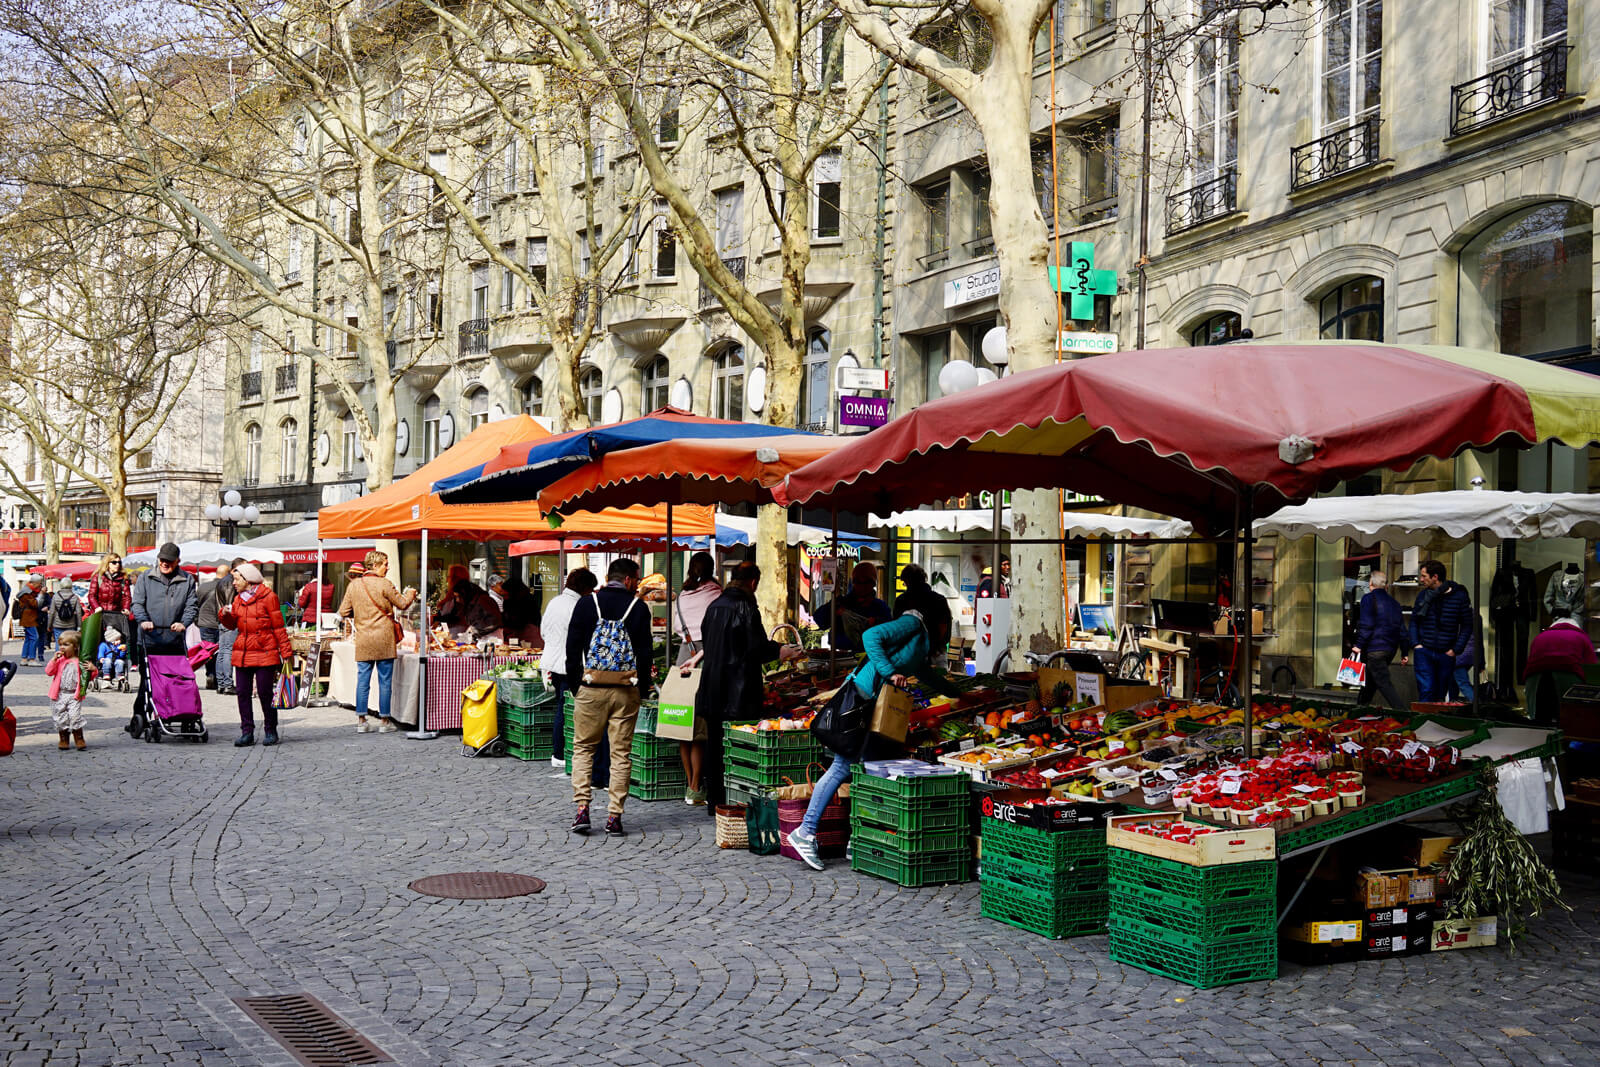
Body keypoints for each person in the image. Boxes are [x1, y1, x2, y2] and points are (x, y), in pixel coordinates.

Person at [787, 607, 950, 872]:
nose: (947, 627)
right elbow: (871, 637)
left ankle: (859, 839)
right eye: (945, 621)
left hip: (876, 707)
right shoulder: (911, 623)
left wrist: (961, 695)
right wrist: (890, 672)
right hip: (861, 701)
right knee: (842, 766)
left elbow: (923, 672)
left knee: (871, 768)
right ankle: (805, 832)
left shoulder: (922, 639)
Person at [694, 562, 803, 810]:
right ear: (753, 583)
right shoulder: (745, 606)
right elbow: (755, 647)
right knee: (741, 747)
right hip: (738, 691)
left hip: (712, 688)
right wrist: (780, 650)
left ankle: (715, 801)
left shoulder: (714, 606)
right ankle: (737, 801)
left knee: (715, 747)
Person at [564, 558, 651, 837]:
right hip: (625, 691)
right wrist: (642, 688)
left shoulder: (587, 603)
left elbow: (572, 646)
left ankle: (582, 810)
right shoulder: (639, 608)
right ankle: (614, 816)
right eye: (637, 579)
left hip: (591, 688)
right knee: (620, 754)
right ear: (628, 580)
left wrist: (576, 683)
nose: (638, 584)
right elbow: (646, 653)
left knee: (583, 749)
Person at [337, 550, 419, 734]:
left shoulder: (354, 585)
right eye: (385, 564)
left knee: (363, 680)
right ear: (375, 565)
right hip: (384, 638)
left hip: (364, 638)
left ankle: (361, 720)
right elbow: (403, 604)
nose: (387, 567)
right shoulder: (385, 584)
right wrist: (411, 594)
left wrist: (360, 616)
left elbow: (343, 611)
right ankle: (384, 720)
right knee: (384, 681)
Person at [219, 562, 294, 747]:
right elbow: (232, 625)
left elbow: (278, 627)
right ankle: (247, 732)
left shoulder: (269, 597)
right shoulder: (238, 599)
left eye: (236, 579)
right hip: (243, 651)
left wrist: (286, 652)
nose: (234, 583)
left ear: (248, 579)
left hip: (264, 651)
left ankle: (270, 729)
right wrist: (224, 614)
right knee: (243, 693)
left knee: (265, 693)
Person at [129, 542, 199, 736]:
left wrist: (184, 622)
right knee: (148, 681)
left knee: (177, 680)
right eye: (162, 560)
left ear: (178, 561)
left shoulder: (187, 580)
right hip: (149, 638)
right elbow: (137, 604)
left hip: (174, 639)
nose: (165, 564)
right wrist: (143, 621)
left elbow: (192, 606)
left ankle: (177, 713)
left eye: (169, 561)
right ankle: (140, 716)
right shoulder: (145, 578)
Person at [540, 568, 601, 770]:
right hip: (569, 664)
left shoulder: (554, 602)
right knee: (566, 711)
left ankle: (560, 752)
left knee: (561, 706)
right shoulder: (579, 606)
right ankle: (560, 753)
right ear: (585, 588)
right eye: (591, 588)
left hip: (552, 662)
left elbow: (543, 631)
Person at [1409, 560, 1473, 703]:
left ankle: (1434, 723)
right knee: (1426, 690)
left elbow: (1467, 625)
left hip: (1445, 653)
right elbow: (1414, 621)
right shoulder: (1423, 596)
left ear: (1435, 577)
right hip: (1424, 650)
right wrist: (1416, 644)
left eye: (1424, 576)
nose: (1421, 579)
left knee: (1440, 693)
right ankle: (1424, 722)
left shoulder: (1459, 596)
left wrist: (1455, 650)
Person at [1523, 615, 1598, 723]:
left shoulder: (1540, 636)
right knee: (1568, 721)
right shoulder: (1582, 637)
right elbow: (1591, 667)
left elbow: (1530, 662)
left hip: (1535, 677)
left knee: (1539, 720)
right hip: (1568, 674)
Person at [1350, 570, 1406, 710]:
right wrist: (1404, 652)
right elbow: (1402, 630)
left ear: (1370, 584)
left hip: (1375, 649)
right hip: (1390, 649)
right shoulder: (1395, 603)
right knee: (1370, 682)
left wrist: (1359, 645)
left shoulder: (1368, 599)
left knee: (1383, 683)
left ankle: (1404, 713)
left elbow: (1366, 624)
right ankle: (1359, 709)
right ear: (1385, 586)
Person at [813, 561, 891, 652]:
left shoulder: (880, 607)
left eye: (866, 582)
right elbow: (819, 620)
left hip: (871, 656)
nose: (862, 587)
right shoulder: (841, 602)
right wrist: (832, 609)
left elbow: (890, 631)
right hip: (841, 656)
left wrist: (876, 622)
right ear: (853, 582)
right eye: (858, 582)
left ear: (873, 584)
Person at [893, 563, 953, 669]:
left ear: (906, 581)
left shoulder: (901, 601)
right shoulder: (939, 599)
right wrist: (936, 646)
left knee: (910, 683)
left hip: (909, 653)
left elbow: (897, 630)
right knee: (937, 683)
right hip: (936, 653)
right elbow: (943, 626)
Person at [88, 552, 135, 681]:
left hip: (116, 616)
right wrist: (96, 607)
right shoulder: (98, 577)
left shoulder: (123, 579)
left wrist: (126, 608)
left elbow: (126, 596)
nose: (117, 565)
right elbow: (91, 595)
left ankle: (116, 671)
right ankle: (99, 670)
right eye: (114, 562)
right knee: (99, 642)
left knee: (117, 641)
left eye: (119, 562)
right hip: (100, 615)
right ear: (107, 564)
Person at [45, 632, 94, 750]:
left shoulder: (80, 661)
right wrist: (53, 660)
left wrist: (93, 669)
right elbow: (49, 672)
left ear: (75, 646)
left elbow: (88, 677)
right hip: (59, 694)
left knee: (75, 716)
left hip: (74, 694)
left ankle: (79, 738)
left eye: (66, 645)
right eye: (60, 644)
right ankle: (63, 739)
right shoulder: (60, 660)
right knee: (60, 716)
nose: (62, 647)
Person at [202, 563, 236, 694]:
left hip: (209, 622)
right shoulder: (229, 583)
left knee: (217, 651)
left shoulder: (205, 586)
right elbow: (229, 603)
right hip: (225, 619)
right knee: (227, 651)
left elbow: (196, 602)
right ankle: (226, 683)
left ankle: (217, 680)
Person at [497, 573, 542, 646]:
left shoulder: (527, 601)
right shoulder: (509, 601)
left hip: (528, 634)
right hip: (516, 634)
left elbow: (521, 620)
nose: (504, 597)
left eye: (506, 595)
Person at [17, 577, 45, 664]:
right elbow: (35, 604)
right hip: (29, 618)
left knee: (28, 638)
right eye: (39, 584)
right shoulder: (27, 593)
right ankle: (31, 659)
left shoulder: (28, 591)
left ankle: (24, 658)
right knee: (34, 637)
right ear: (35, 583)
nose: (40, 586)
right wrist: (41, 594)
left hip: (28, 618)